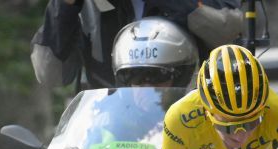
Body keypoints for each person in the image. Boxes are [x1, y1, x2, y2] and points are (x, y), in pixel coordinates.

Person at [31, 0, 242, 89]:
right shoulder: (86, 6)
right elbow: (49, 74)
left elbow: (227, 31)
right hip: (113, 134)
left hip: (192, 124)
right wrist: (65, 6)